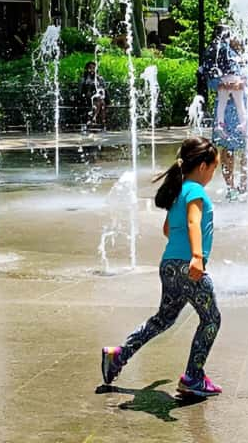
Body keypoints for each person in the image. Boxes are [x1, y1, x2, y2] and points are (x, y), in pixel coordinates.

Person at [101, 138, 224, 397]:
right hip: (188, 266)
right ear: (202, 166)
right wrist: (197, 257)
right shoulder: (196, 193)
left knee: (163, 319)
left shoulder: (178, 192)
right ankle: (193, 376)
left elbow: (168, 229)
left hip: (169, 265)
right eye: (214, 168)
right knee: (211, 319)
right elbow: (193, 223)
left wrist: (181, 253)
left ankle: (119, 355)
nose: (213, 174)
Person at [215, 38, 248, 199]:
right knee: (228, 150)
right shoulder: (220, 60)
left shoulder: (245, 63)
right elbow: (210, 79)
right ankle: (230, 187)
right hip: (226, 114)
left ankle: (244, 186)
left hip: (244, 110)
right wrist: (222, 84)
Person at [79, 61, 106, 128]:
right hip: (87, 98)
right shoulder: (84, 78)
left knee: (100, 100)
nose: (92, 70)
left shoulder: (99, 78)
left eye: (94, 68)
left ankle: (93, 118)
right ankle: (101, 122)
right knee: (102, 103)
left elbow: (103, 88)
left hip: (97, 98)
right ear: (87, 69)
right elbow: (80, 91)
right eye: (90, 68)